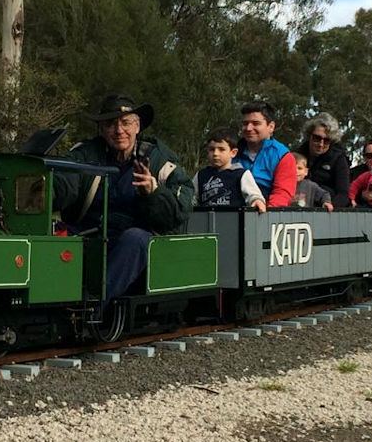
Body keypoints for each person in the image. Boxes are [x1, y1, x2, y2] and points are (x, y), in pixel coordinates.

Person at [52, 94, 194, 299]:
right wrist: (45, 189)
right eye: (111, 124)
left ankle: (93, 304)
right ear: (101, 129)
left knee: (135, 238)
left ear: (137, 126)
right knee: (52, 231)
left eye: (126, 123)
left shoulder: (161, 161)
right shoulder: (85, 154)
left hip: (136, 243)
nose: (119, 131)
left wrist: (154, 192)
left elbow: (178, 212)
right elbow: (65, 182)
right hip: (88, 234)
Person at [233, 101, 296, 207]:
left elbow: (282, 194)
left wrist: (264, 216)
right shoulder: (231, 151)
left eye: (255, 123)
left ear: (271, 127)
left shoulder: (283, 156)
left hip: (264, 214)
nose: (248, 128)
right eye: (245, 123)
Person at [192, 127, 266, 212]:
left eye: (221, 149)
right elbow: (192, 199)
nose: (215, 153)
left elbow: (253, 194)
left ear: (233, 152)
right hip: (205, 221)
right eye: (212, 149)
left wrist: (257, 201)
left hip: (233, 221)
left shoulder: (241, 174)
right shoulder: (201, 175)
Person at [294, 113, 351, 207]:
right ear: (309, 136)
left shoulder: (338, 159)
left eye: (327, 140)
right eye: (317, 138)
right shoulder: (297, 155)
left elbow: (343, 194)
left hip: (327, 209)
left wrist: (328, 209)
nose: (321, 144)